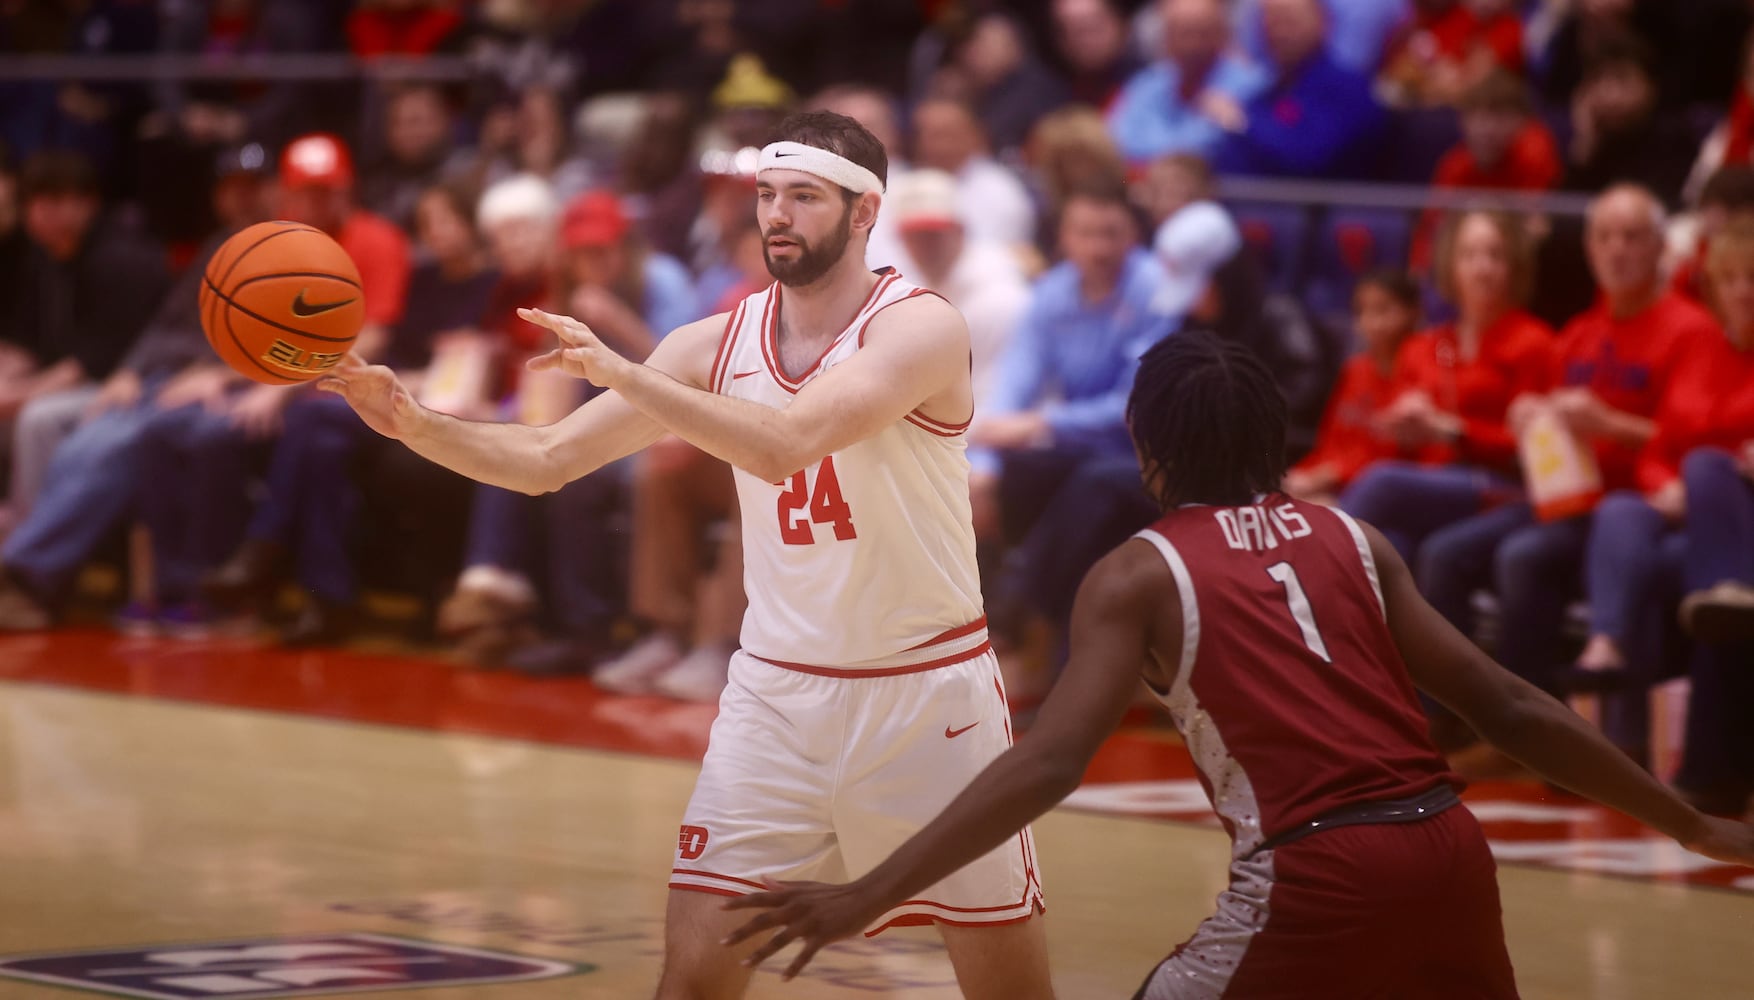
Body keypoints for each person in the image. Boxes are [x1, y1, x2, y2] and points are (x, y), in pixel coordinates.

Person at [720, 330, 1754, 994]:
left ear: (1144, 449)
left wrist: (866, 892)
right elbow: (1511, 707)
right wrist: (1686, 820)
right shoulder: (1353, 536)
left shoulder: (1134, 575)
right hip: (1448, 852)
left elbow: (1046, 765)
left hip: (1314, 873)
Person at [318, 111, 1051, 999]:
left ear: (865, 214)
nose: (776, 215)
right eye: (768, 196)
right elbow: (547, 462)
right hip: (776, 699)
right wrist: (411, 422)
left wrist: (626, 373)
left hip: (927, 696)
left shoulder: (922, 328)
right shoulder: (713, 344)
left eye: (805, 197)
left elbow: (788, 441)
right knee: (694, 980)